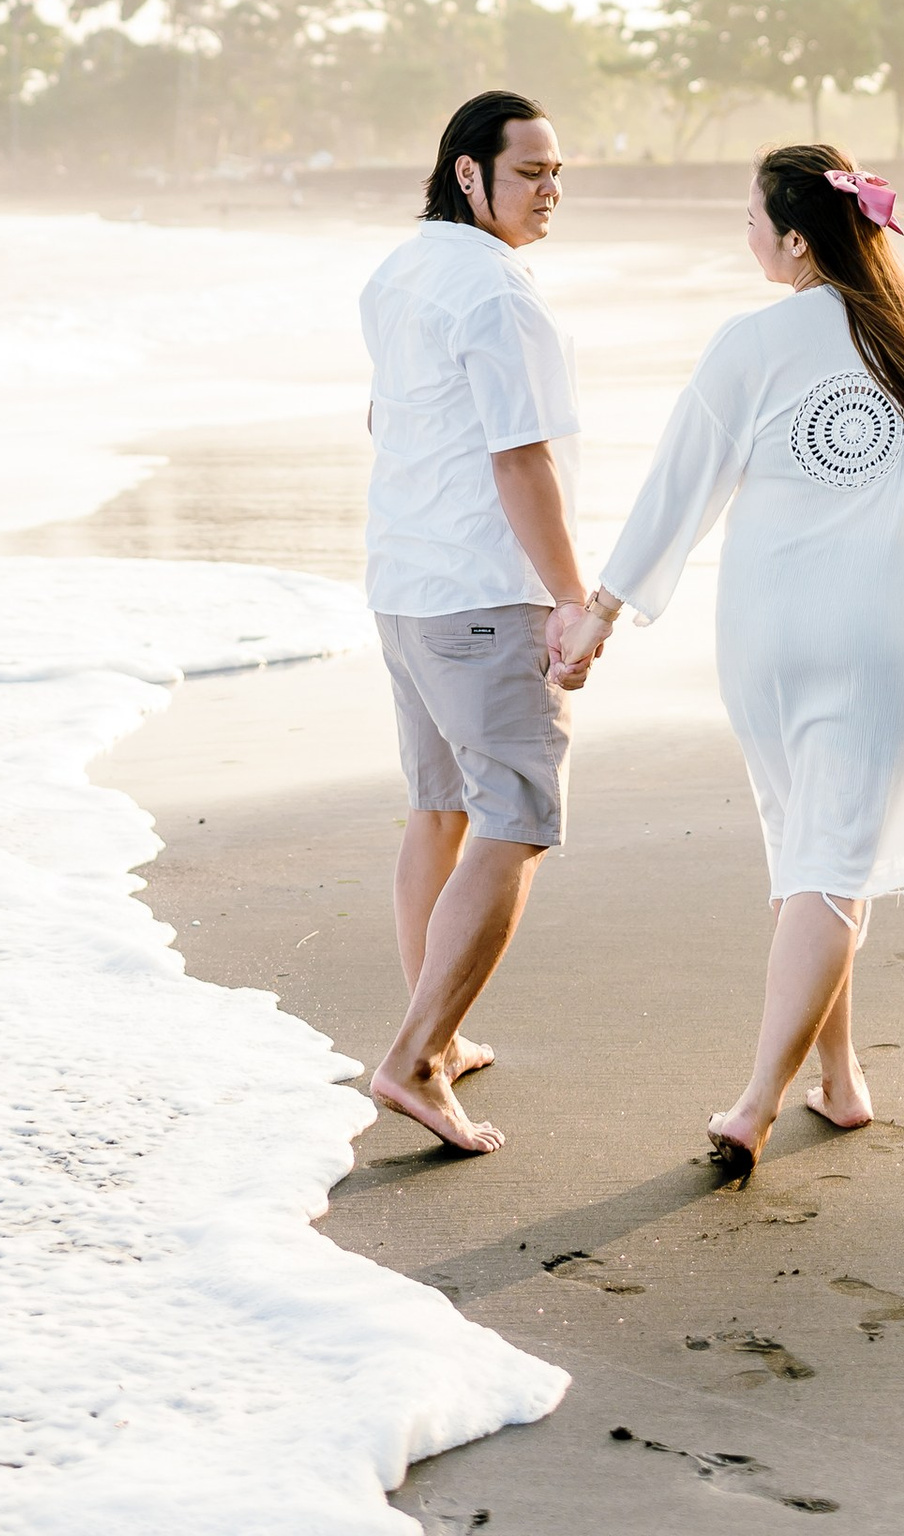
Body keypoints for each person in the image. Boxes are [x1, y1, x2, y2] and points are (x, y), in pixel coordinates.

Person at [579, 142, 904, 1180]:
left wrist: (601, 612)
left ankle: (830, 1084)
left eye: (752, 217)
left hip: (764, 634)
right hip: (879, 629)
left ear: (797, 236)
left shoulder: (747, 344)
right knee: (830, 857)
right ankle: (765, 1099)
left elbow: (676, 489)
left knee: (808, 849)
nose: (745, 233)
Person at [358, 89, 599, 1156]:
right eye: (531, 173)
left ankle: (433, 1036)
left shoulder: (395, 271)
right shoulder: (500, 295)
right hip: (481, 594)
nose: (551, 192)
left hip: (404, 587)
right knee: (514, 822)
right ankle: (415, 1058)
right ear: (469, 174)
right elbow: (521, 454)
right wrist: (570, 598)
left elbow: (386, 416)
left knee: (439, 809)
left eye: (557, 173)